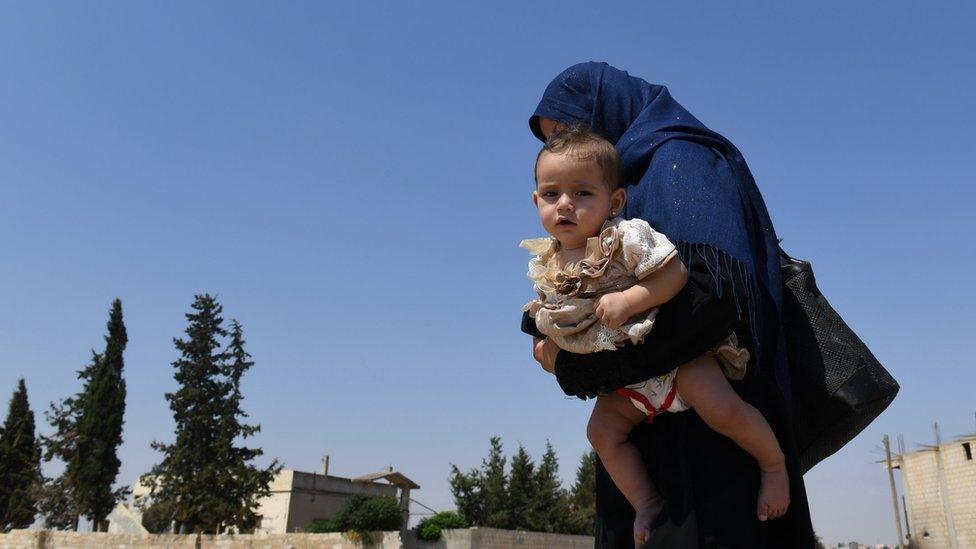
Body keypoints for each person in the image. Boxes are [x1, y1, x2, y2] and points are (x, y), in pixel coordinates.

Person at [523, 62, 816, 548]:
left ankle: (773, 466)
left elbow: (715, 300)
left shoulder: (683, 162)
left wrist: (583, 371)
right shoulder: (601, 205)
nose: (564, 153)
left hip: (711, 452)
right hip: (647, 438)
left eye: (573, 133)